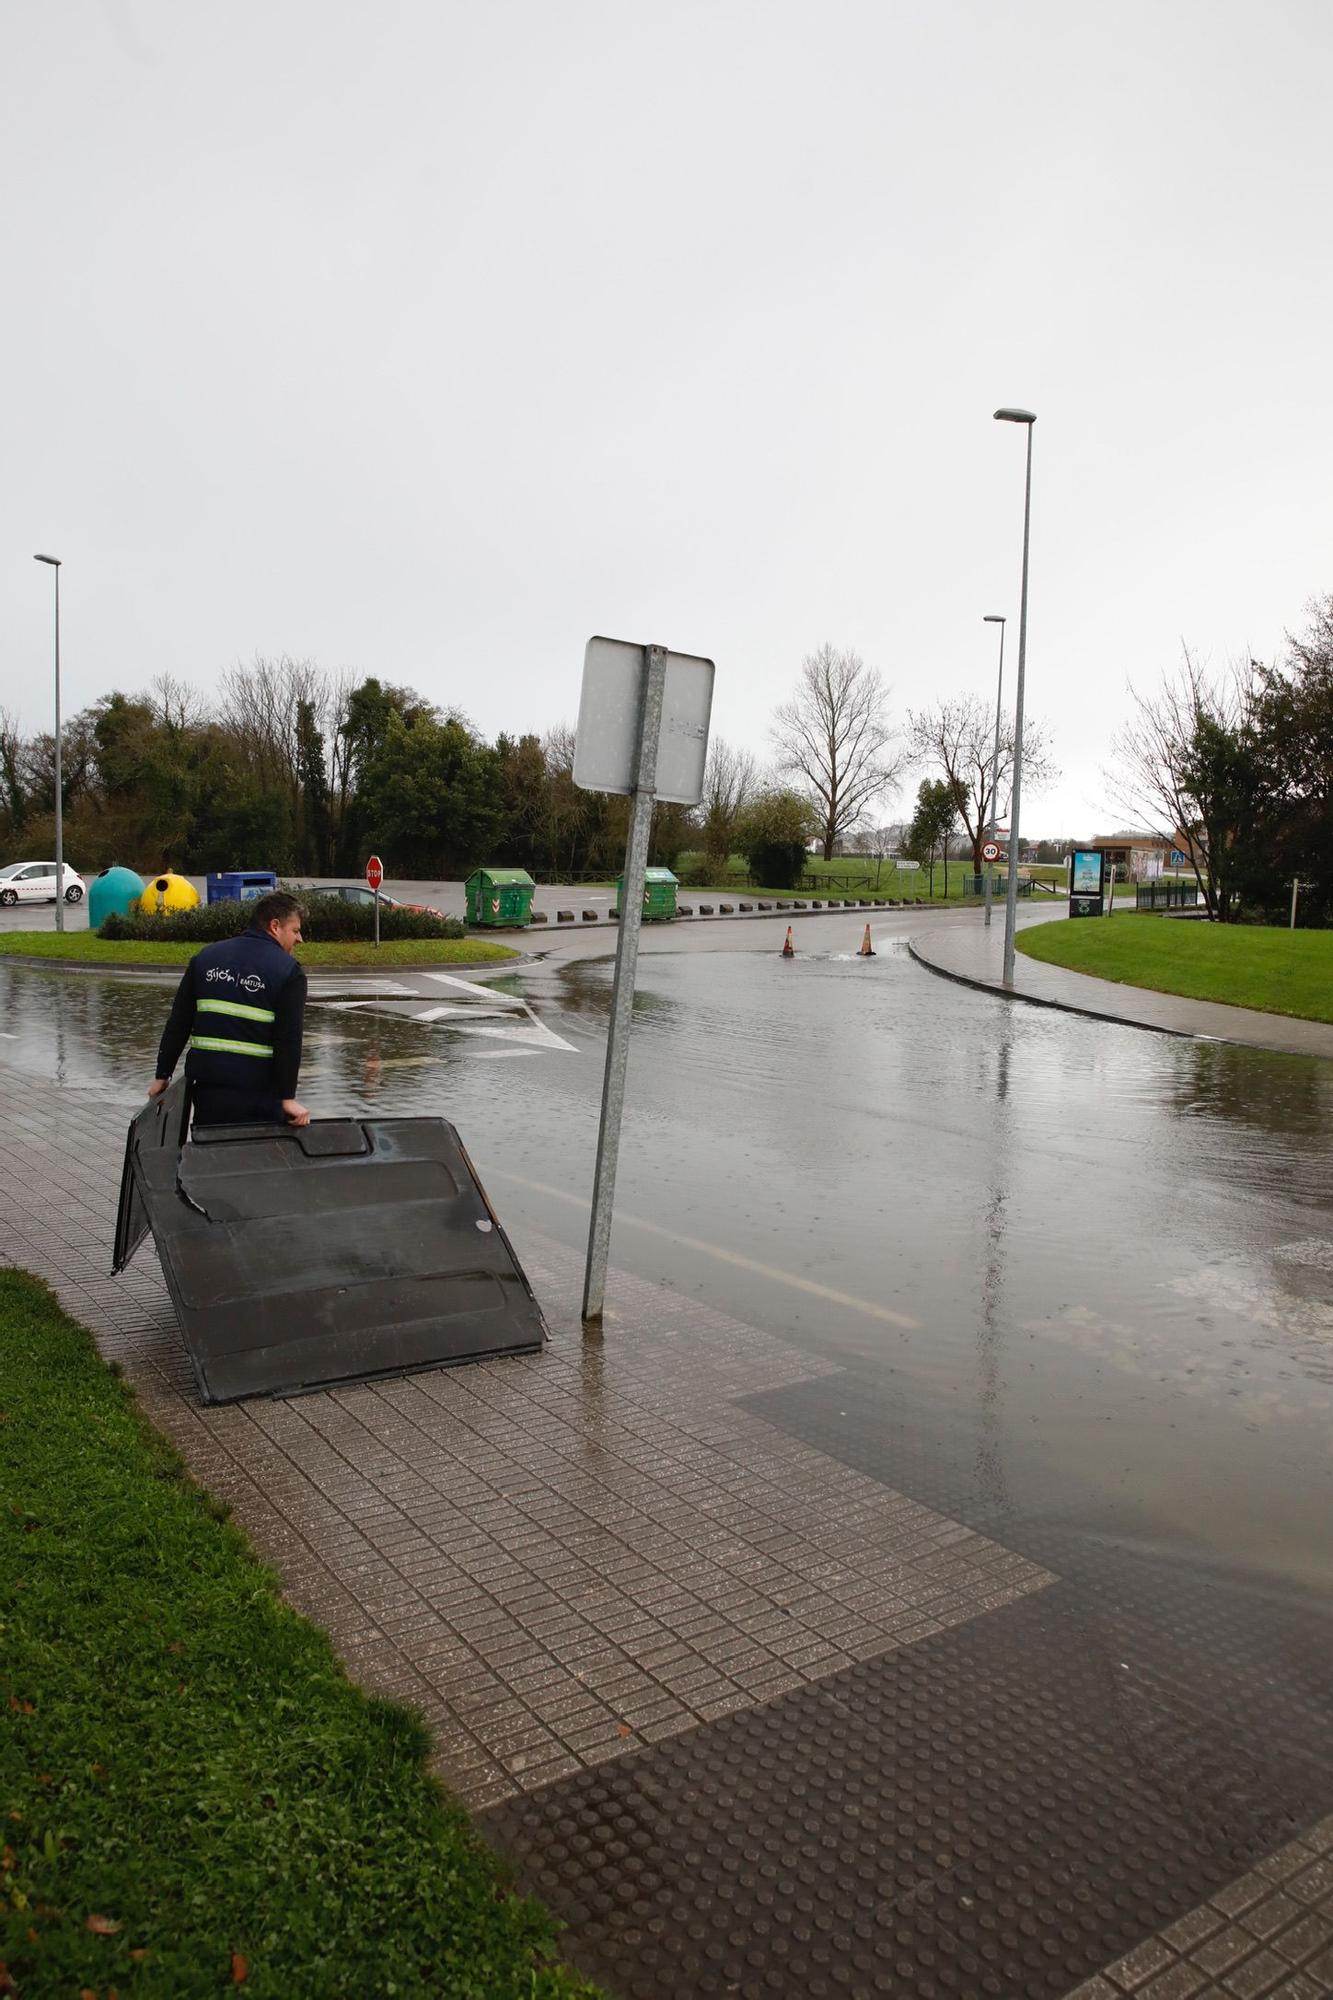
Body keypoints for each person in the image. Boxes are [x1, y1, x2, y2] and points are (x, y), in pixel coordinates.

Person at [148, 890, 311, 1128]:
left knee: (211, 1155)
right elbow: (288, 1039)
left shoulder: (205, 958)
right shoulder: (288, 971)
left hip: (208, 1093)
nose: (300, 939)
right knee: (257, 1160)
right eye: (295, 930)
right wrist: (288, 1098)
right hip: (260, 1096)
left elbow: (179, 1022)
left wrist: (162, 1075)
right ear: (275, 926)